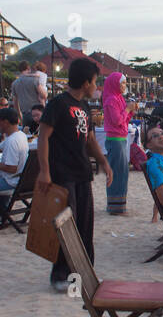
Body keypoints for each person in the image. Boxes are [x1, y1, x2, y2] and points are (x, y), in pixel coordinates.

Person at [36, 58, 113, 292]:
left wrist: (103, 162)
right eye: (95, 82)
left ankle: (84, 272)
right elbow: (43, 137)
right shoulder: (58, 104)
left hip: (82, 173)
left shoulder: (85, 107)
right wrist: (45, 171)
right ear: (86, 82)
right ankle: (61, 275)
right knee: (67, 226)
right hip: (62, 173)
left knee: (85, 225)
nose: (96, 86)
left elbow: (89, 139)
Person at [102, 72, 133, 215]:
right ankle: (115, 206)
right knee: (117, 172)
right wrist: (127, 109)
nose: (124, 86)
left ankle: (119, 205)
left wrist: (130, 110)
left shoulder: (119, 98)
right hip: (115, 140)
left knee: (123, 172)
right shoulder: (111, 100)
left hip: (121, 138)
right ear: (115, 84)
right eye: (123, 83)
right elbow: (117, 121)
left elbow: (124, 120)